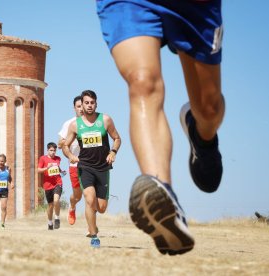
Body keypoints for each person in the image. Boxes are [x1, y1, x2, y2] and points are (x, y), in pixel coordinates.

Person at [96, 0, 224, 255]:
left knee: (208, 108)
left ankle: (202, 135)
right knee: (143, 82)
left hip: (196, 6)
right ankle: (164, 200)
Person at [62, 90, 121, 248]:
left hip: (103, 168)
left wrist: (113, 152)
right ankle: (94, 235)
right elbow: (65, 146)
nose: (89, 105)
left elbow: (117, 138)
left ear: (96, 103)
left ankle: (92, 221)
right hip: (85, 167)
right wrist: (70, 156)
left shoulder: (105, 120)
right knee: (89, 199)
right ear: (82, 104)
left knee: (101, 208)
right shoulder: (75, 125)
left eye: (92, 102)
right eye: (86, 103)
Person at [58, 95, 84, 225]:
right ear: (74, 108)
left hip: (90, 163)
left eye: (83, 106)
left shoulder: (93, 122)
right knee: (78, 195)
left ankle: (92, 227)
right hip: (74, 164)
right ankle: (72, 206)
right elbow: (60, 143)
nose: (81, 109)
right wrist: (67, 142)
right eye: (78, 106)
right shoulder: (69, 124)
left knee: (91, 195)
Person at [38, 142, 66, 230]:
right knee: (50, 205)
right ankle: (50, 222)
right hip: (47, 185)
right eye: (51, 150)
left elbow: (57, 167)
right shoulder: (43, 159)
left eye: (54, 150)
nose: (53, 152)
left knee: (56, 200)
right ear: (47, 150)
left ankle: (57, 218)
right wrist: (47, 167)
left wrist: (61, 172)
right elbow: (38, 170)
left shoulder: (58, 158)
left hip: (58, 183)